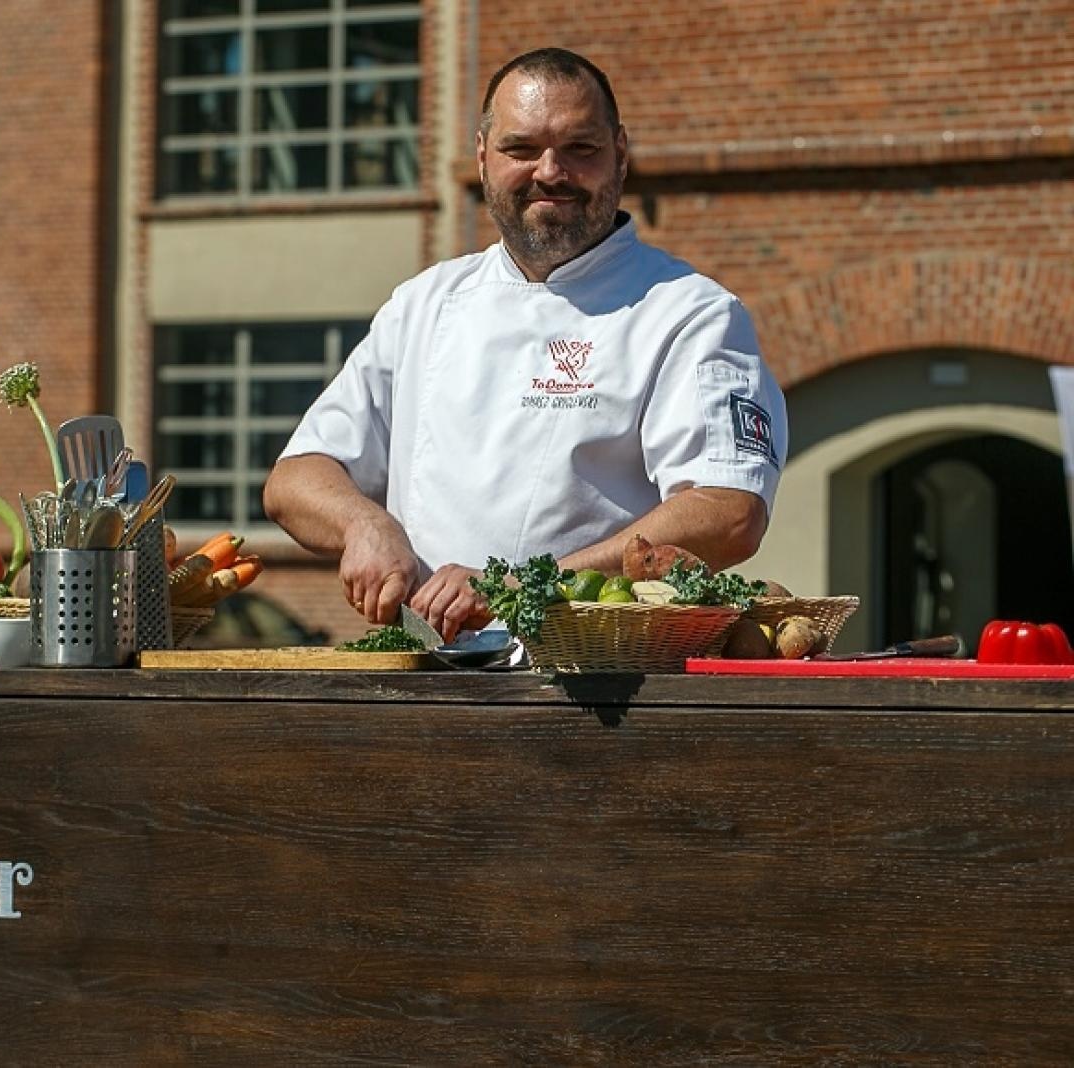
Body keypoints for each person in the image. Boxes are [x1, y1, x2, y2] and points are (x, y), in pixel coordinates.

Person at [263, 47, 788, 641]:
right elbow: (296, 478)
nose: (549, 172)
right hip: (423, 677)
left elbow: (728, 512)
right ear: (483, 158)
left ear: (620, 154)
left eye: (580, 149)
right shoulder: (425, 302)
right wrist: (363, 524)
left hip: (593, 684)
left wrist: (525, 588)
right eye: (520, 149)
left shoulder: (689, 313)